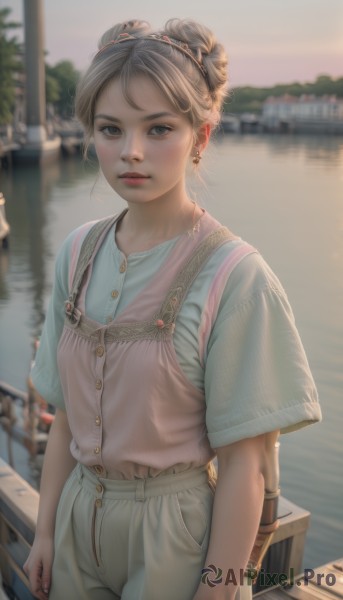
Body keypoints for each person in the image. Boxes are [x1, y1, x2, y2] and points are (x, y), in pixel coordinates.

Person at [23, 18, 321, 600]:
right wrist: (43, 532)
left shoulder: (234, 277)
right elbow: (63, 421)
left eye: (159, 128)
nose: (131, 152)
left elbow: (244, 467)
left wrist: (217, 589)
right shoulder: (76, 254)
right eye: (111, 129)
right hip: (74, 520)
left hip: (174, 532)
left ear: (201, 137)